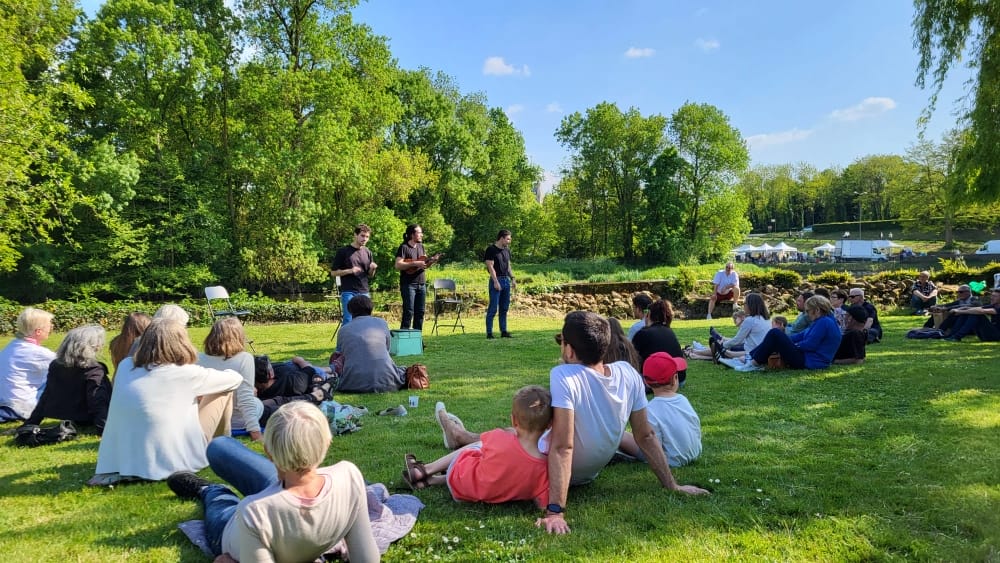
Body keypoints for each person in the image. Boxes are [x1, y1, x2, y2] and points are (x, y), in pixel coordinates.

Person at [436, 311, 710, 536]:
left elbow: (562, 447)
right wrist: (671, 485)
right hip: (589, 472)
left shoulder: (564, 376)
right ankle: (458, 439)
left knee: (510, 436)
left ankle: (456, 441)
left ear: (569, 348)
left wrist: (555, 511)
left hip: (556, 473)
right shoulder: (628, 372)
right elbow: (646, 435)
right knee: (517, 433)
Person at [165, 402, 379, 562]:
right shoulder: (349, 475)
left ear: (268, 452)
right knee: (219, 446)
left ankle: (209, 488)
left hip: (234, 527)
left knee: (219, 499)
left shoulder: (254, 510)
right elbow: (367, 559)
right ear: (327, 441)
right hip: (281, 493)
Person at [91, 319, 242, 484]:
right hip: (171, 460)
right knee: (225, 389)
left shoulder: (125, 366)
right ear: (181, 341)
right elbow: (235, 379)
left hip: (121, 461)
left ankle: (218, 447)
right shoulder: (186, 373)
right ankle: (221, 448)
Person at [401, 385, 551, 510]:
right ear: (550, 425)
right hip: (475, 495)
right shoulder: (545, 467)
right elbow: (542, 504)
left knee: (478, 446)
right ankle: (430, 481)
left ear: (513, 420)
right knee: (501, 470)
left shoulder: (499, 437)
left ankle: (424, 470)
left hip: (461, 479)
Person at [24, 324, 112, 434]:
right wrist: (103, 429)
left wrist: (32, 422)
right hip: (88, 417)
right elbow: (98, 400)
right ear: (92, 346)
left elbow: (47, 395)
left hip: (68, 415)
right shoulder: (94, 369)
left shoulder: (55, 365)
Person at [618, 352, 701, 467]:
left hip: (670, 461)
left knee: (621, 435)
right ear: (675, 379)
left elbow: (651, 445)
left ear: (646, 382)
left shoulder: (650, 410)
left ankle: (616, 448)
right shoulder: (683, 399)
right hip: (695, 453)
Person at [722, 295, 842, 372]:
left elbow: (810, 345)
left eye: (808, 311)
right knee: (776, 335)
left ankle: (752, 362)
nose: (807, 314)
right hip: (809, 359)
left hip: (810, 361)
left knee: (775, 333)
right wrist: (784, 340)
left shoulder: (824, 323)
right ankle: (748, 359)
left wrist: (791, 346)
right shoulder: (823, 321)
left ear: (817, 310)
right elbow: (800, 336)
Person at [198, 318, 262, 441]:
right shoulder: (244, 359)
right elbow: (246, 399)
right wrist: (255, 432)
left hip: (206, 417)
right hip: (236, 421)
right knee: (257, 403)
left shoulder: (198, 358)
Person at [335, 295, 406, 393]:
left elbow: (341, 356)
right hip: (387, 381)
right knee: (403, 370)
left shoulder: (343, 330)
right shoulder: (382, 323)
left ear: (350, 311)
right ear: (370, 308)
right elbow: (387, 348)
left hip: (351, 383)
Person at [0, 307, 56, 422]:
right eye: (49, 325)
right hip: (21, 407)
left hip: (5, 401)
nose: (51, 327)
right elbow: (68, 365)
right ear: (38, 331)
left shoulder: (10, 347)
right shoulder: (39, 353)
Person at [394, 224, 440, 331]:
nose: (422, 235)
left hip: (421, 284)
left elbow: (424, 265)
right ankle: (404, 337)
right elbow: (398, 265)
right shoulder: (404, 247)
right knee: (409, 311)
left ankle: (417, 338)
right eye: (419, 233)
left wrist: (432, 261)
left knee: (420, 312)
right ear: (412, 234)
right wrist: (415, 263)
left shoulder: (421, 247)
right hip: (408, 284)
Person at [331, 224, 378, 326]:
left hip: (364, 291)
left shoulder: (368, 252)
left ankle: (363, 341)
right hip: (348, 291)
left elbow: (370, 275)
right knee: (348, 319)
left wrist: (372, 269)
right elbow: (333, 272)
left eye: (367, 237)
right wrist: (350, 271)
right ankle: (343, 342)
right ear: (355, 235)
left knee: (366, 319)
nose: (364, 239)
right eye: (362, 236)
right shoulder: (343, 251)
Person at [632, 300, 687, 384]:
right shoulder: (669, 331)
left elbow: (632, 359)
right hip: (679, 378)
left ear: (649, 314)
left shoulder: (643, 333)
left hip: (659, 380)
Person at [484, 229, 515, 339]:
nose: (509, 241)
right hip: (496, 281)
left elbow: (508, 265)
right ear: (501, 238)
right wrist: (496, 282)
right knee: (493, 308)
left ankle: (504, 331)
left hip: (506, 280)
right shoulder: (491, 250)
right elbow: (490, 267)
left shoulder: (507, 250)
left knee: (504, 308)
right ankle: (489, 333)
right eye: (507, 239)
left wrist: (512, 278)